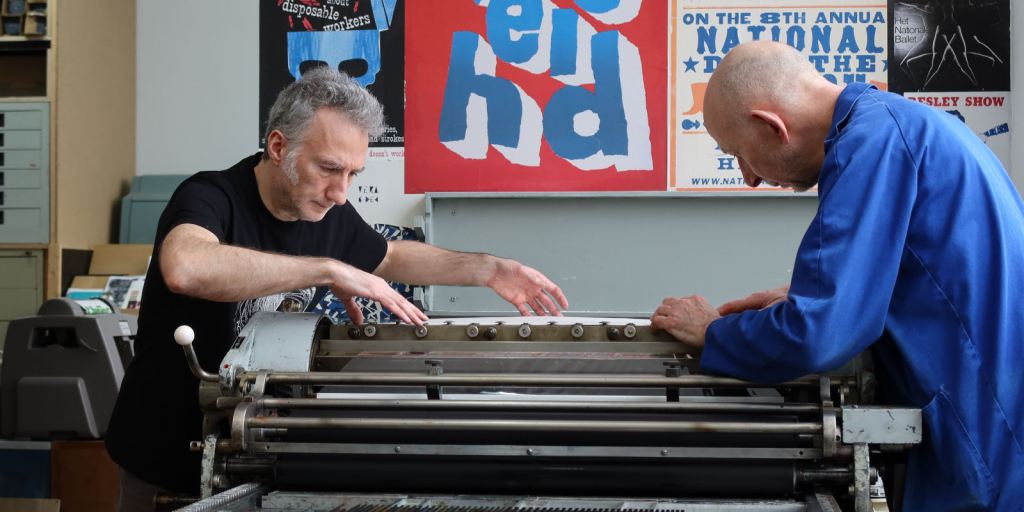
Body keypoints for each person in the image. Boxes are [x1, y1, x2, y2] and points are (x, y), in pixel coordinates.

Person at [105, 67, 569, 510]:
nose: (341, 192)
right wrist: (327, 269)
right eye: (328, 168)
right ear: (278, 146)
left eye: (352, 174)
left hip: (253, 455)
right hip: (164, 461)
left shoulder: (328, 212)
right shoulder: (210, 196)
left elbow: (390, 256)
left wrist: (486, 269)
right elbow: (186, 268)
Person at [651, 41, 1023, 511]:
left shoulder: (872, 145)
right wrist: (808, 292)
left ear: (771, 126)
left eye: (738, 154)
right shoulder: (906, 125)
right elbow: (933, 273)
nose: (748, 177)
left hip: (990, 453)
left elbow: (819, 335)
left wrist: (714, 332)